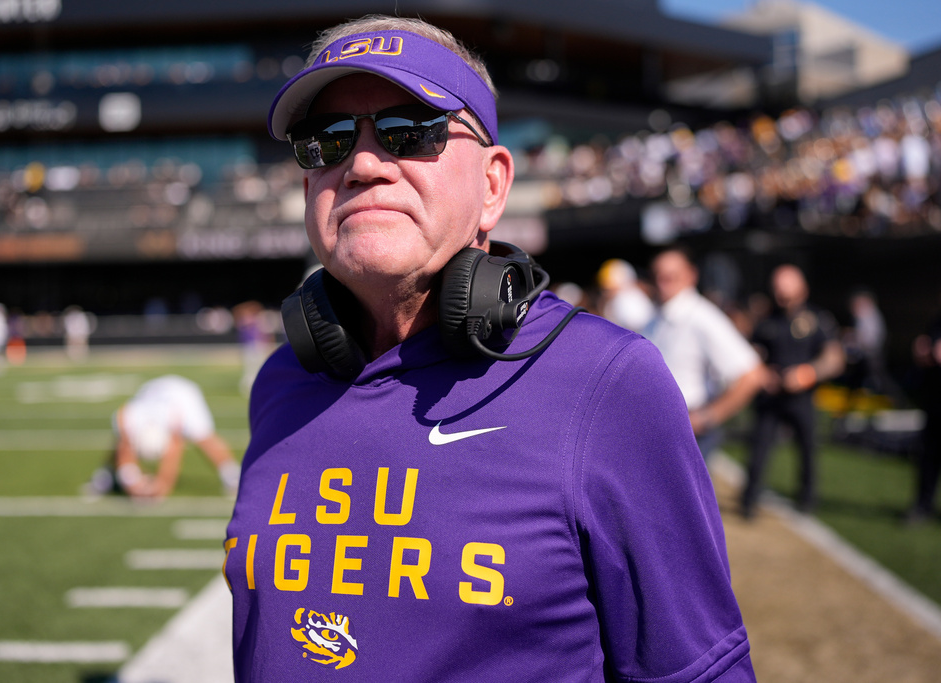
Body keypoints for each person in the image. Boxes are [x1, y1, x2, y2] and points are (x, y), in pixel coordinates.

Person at [225, 15, 754, 682]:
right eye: (326, 141)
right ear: (308, 188)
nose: (360, 164)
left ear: (494, 185)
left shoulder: (607, 381)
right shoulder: (280, 381)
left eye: (408, 131)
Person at [740, 264, 845, 519]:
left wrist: (806, 374)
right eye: (777, 287)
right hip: (770, 397)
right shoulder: (766, 320)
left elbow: (834, 358)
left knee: (808, 450)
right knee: (759, 449)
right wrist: (763, 374)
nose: (781, 293)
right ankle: (749, 500)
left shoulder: (817, 319)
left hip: (802, 397)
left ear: (801, 288)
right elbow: (753, 354)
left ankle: (807, 499)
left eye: (786, 287)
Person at [643, 247, 765, 461]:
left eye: (671, 277)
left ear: (691, 275)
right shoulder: (657, 316)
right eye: (658, 277)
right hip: (657, 428)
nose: (662, 283)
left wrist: (707, 417)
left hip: (688, 430)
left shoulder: (702, 317)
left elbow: (752, 374)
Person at [87, 375, 240, 499]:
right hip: (152, 389)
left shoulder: (178, 417)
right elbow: (124, 448)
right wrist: (133, 483)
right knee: (118, 442)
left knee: (202, 436)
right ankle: (106, 475)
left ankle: (232, 476)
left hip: (182, 393)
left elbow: (174, 454)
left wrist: (161, 485)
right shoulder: (126, 417)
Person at [906, 310, 941, 524]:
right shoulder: (936, 321)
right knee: (928, 458)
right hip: (935, 402)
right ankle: (922, 506)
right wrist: (922, 354)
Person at [595, 257, 654, 332]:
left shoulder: (626, 299)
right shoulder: (629, 296)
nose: (605, 292)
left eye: (609, 288)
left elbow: (637, 328)